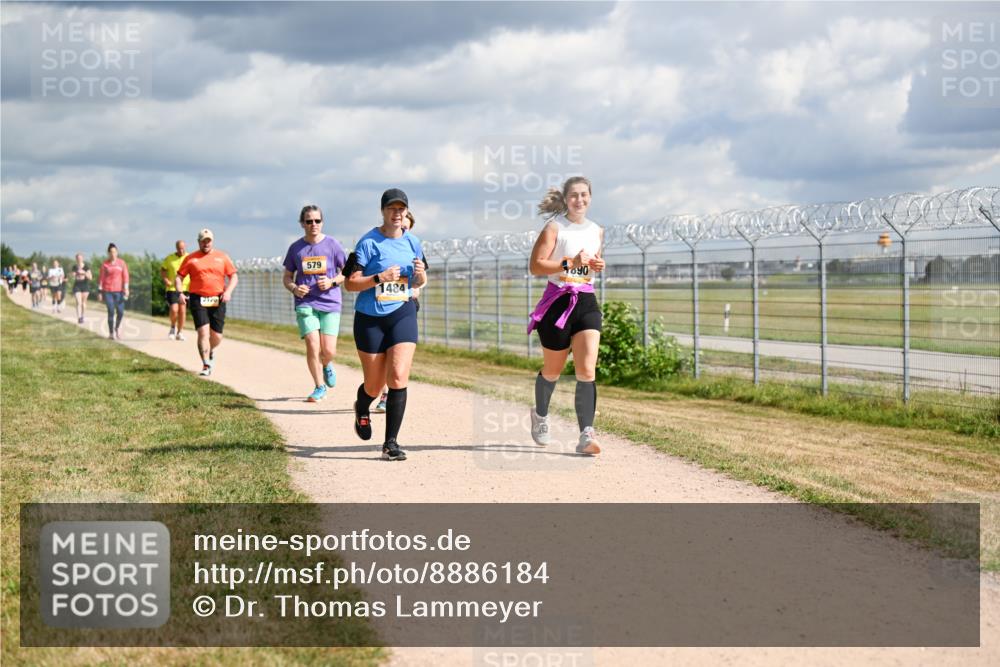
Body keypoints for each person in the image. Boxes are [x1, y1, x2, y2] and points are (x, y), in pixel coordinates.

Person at [345, 188, 427, 462]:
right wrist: (379, 277)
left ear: (407, 212)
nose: (397, 213)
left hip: (402, 312)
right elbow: (350, 284)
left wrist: (419, 276)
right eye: (392, 208)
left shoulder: (413, 242)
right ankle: (362, 407)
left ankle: (390, 443)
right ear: (383, 211)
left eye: (401, 209)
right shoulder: (368, 242)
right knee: (374, 384)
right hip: (370, 318)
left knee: (398, 376)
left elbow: (419, 279)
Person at [527, 176, 605, 456]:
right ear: (565, 199)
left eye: (584, 195)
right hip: (557, 303)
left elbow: (589, 267)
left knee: (587, 370)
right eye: (574, 195)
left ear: (590, 197)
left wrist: (597, 264)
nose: (579, 200)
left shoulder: (596, 230)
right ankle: (540, 415)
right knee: (553, 371)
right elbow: (536, 266)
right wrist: (570, 263)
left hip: (586, 300)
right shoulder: (554, 227)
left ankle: (586, 434)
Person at [282, 205, 348, 402]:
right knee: (312, 345)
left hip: (330, 303)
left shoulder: (333, 245)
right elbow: (287, 277)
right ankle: (319, 387)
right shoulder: (295, 248)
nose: (313, 224)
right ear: (302, 224)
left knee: (328, 351)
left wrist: (332, 282)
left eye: (317, 221)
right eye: (309, 221)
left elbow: (346, 272)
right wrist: (295, 288)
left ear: (322, 222)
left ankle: (327, 364)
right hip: (305, 303)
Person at [372, 210, 428, 413]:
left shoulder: (413, 246)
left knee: (397, 357)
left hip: (405, 306)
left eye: (407, 227)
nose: (403, 229)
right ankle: (382, 392)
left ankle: (390, 393)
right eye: (401, 225)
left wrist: (417, 288)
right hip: (381, 308)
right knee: (382, 358)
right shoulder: (379, 244)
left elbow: (423, 277)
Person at [176, 229, 238, 377]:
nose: (206, 243)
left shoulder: (222, 257)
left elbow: (234, 276)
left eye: (208, 241)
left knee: (217, 336)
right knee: (203, 332)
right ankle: (205, 364)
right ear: (199, 242)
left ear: (212, 241)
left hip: (218, 298)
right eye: (203, 241)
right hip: (198, 298)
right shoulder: (191, 258)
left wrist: (228, 292)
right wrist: (180, 293)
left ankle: (210, 350)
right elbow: (179, 277)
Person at [98, 244, 130, 340]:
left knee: (120, 312)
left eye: (115, 252)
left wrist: (126, 288)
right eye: (111, 252)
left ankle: (117, 328)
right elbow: (101, 278)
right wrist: (100, 292)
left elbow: (126, 276)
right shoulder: (105, 264)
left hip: (119, 291)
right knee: (111, 311)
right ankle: (111, 333)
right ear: (108, 253)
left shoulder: (122, 263)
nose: (113, 254)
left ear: (117, 252)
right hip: (108, 291)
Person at [160, 240, 190, 341]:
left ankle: (180, 332)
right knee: (174, 309)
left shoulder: (189, 258)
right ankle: (172, 328)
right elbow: (163, 270)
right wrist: (165, 280)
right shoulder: (169, 258)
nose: (181, 250)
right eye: (179, 248)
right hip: (172, 288)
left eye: (183, 248)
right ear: (176, 248)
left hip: (185, 288)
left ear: (185, 247)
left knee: (182, 310)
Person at [71, 253, 92, 324]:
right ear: (76, 259)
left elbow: (90, 277)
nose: (79, 259)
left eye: (80, 258)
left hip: (85, 285)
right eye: (78, 258)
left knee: (83, 303)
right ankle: (79, 317)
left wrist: (84, 273)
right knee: (78, 302)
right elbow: (72, 276)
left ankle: (83, 316)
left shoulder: (86, 267)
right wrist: (74, 274)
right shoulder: (74, 267)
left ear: (82, 258)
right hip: (77, 285)